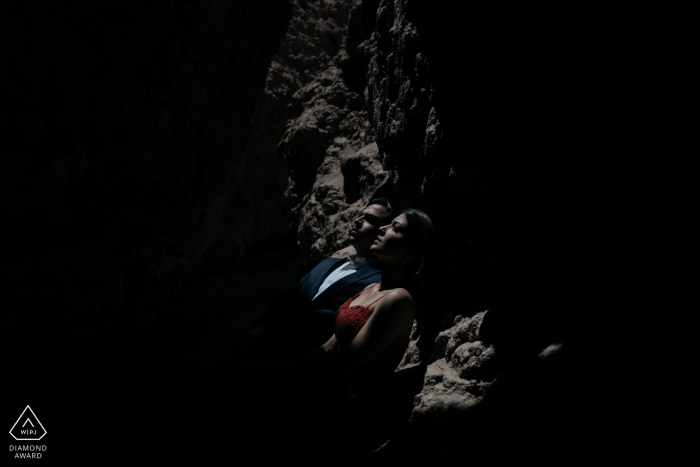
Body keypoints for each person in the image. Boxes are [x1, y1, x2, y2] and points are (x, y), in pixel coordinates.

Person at [239, 197, 395, 359]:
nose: (357, 220)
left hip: (308, 363)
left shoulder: (379, 280)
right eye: (360, 215)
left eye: (369, 219)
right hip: (265, 347)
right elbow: (288, 299)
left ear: (383, 231)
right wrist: (256, 332)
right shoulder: (327, 263)